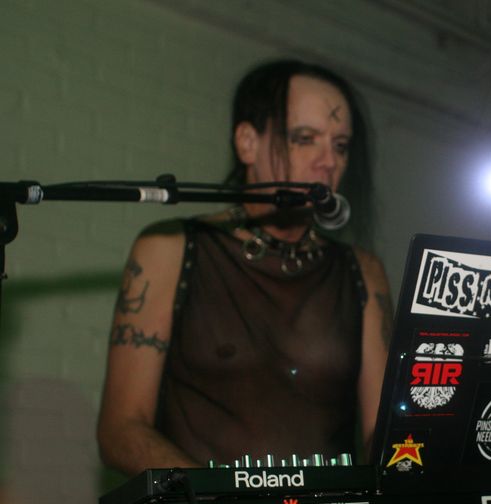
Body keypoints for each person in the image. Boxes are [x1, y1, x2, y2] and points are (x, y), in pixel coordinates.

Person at [97, 60, 392, 475]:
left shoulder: (361, 271)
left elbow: (384, 431)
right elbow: (121, 429)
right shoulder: (170, 248)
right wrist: (224, 503)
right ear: (248, 142)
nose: (328, 161)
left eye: (340, 145)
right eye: (305, 139)